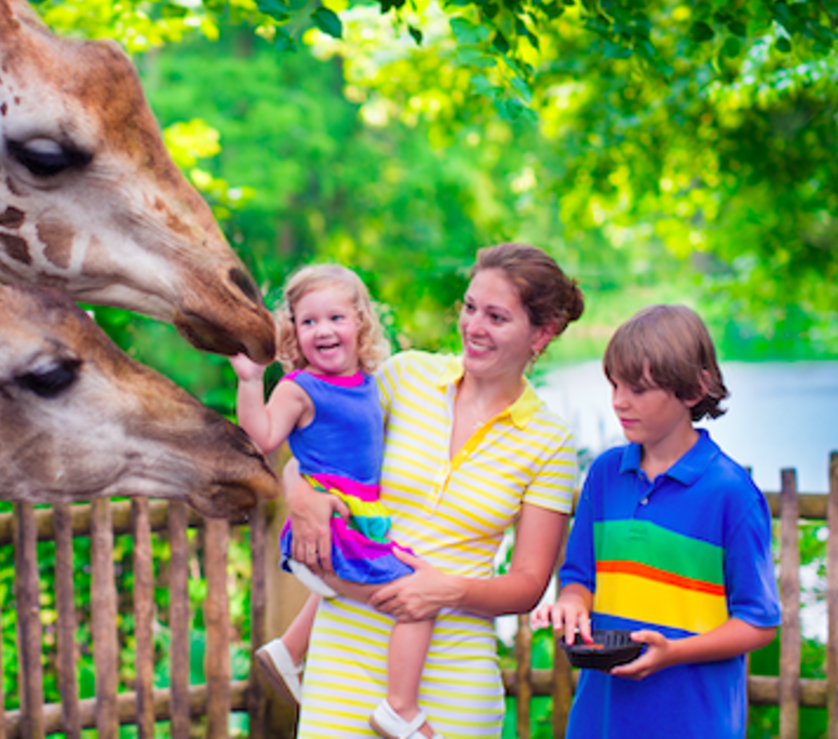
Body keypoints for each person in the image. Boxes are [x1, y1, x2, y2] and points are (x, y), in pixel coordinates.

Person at [284, 243, 586, 738]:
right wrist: (297, 492)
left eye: (496, 316)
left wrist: (450, 590)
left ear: (542, 332)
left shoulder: (549, 441)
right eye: (470, 308)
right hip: (345, 656)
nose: (474, 327)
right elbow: (318, 455)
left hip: (452, 677)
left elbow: (530, 583)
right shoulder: (405, 377)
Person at [530, 304, 780, 739]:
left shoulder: (731, 493)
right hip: (600, 721)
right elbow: (577, 578)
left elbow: (758, 623)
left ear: (692, 389)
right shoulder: (605, 476)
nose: (619, 401)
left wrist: (674, 652)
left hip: (694, 723)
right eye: (615, 385)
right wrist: (570, 604)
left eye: (639, 389)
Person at [231, 264, 441, 738]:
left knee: (412, 569)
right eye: (308, 322)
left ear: (359, 324)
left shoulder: (369, 380)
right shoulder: (300, 387)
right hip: (330, 527)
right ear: (293, 331)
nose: (323, 330)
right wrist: (249, 380)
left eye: (335, 319)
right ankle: (400, 708)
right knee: (417, 598)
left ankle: (288, 649)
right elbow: (262, 437)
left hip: (362, 521)